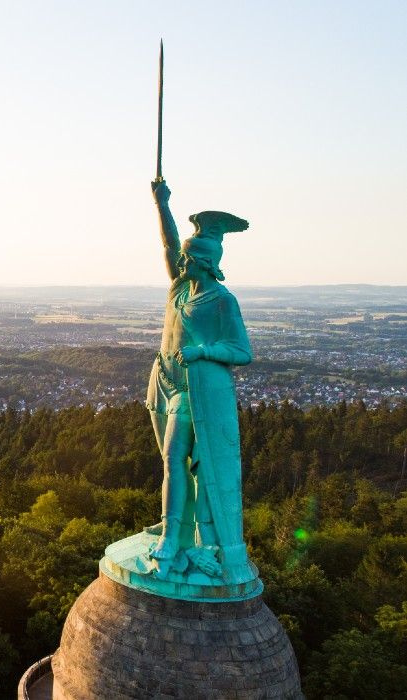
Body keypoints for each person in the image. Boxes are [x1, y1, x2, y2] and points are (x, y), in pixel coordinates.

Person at [145, 180, 252, 580]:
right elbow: (169, 245)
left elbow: (242, 351)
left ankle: (172, 538)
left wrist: (203, 351)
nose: (181, 262)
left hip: (193, 392)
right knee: (169, 460)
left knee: (176, 458)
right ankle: (177, 521)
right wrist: (162, 205)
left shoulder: (221, 300)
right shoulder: (180, 289)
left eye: (189, 259)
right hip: (165, 383)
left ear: (206, 263)